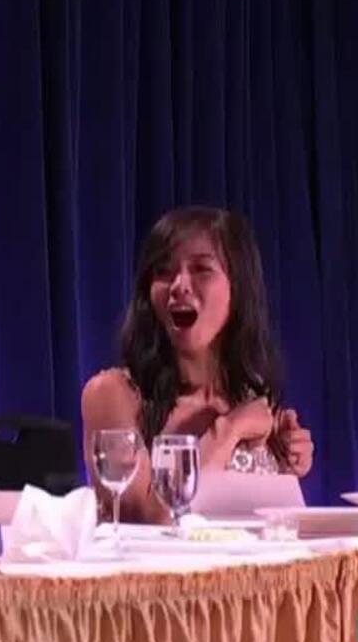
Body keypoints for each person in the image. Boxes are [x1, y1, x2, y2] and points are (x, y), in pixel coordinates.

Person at [81, 206, 315, 525]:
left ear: (238, 288)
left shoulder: (252, 394)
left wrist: (287, 465)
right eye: (164, 272)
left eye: (201, 269)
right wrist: (228, 430)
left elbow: (271, 527)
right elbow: (148, 521)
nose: (179, 285)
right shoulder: (112, 394)